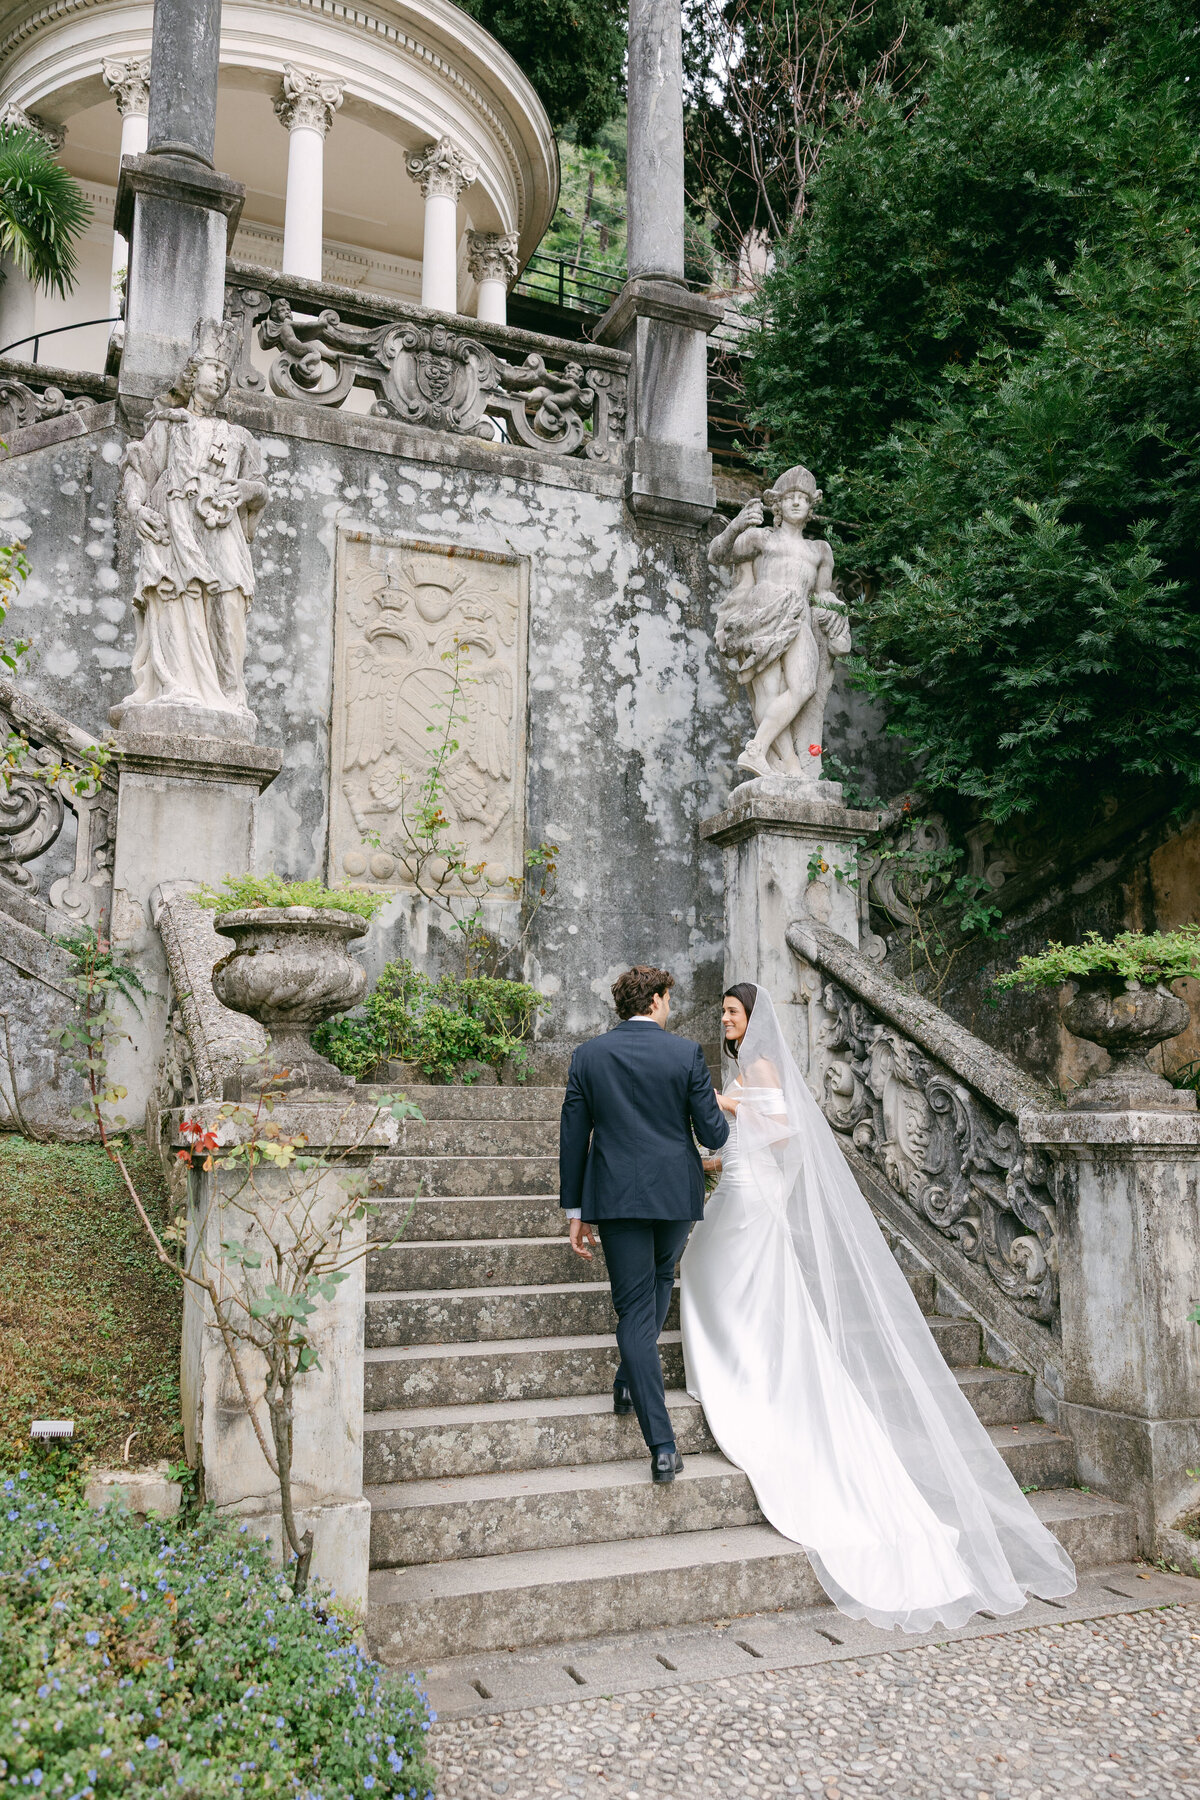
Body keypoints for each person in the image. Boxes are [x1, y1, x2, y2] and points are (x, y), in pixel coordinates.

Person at [680, 981, 1078, 1633]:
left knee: (702, 1272)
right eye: (723, 1012)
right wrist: (720, 1145)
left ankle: (730, 1377)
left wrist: (725, 1106)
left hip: (754, 1192)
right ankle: (734, 1366)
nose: (725, 1019)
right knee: (713, 1276)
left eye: (733, 1011)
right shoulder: (747, 1066)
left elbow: (780, 1133)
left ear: (754, 1020)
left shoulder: (756, 1066)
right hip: (746, 1185)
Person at [560, 965, 729, 1483]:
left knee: (639, 1301)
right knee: (654, 1287)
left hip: (614, 1196)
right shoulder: (685, 1054)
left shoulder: (588, 1056)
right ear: (656, 1000)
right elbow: (714, 1133)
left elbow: (573, 1136)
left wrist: (574, 1210)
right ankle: (662, 1442)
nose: (670, 1006)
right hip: (675, 1194)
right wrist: (714, 1107)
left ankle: (631, 1379)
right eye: (669, 998)